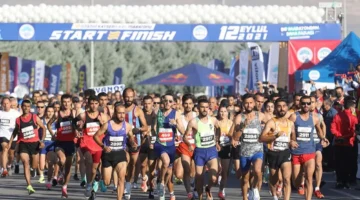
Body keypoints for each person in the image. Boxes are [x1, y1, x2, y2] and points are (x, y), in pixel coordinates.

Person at [93, 103, 137, 200]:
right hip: (108, 155)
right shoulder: (107, 125)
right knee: (106, 182)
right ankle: (100, 177)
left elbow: (131, 137)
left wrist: (132, 142)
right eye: (119, 113)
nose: (121, 115)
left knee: (121, 180)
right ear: (115, 113)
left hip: (120, 153)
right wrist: (103, 146)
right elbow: (95, 136)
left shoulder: (128, 126)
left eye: (123, 113)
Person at [289, 96, 329, 200]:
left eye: (308, 103)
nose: (306, 105)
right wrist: (291, 141)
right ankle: (299, 184)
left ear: (311, 104)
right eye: (303, 103)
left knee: (309, 178)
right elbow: (287, 130)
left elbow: (319, 130)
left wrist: (323, 138)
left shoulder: (315, 118)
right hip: (296, 152)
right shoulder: (294, 116)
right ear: (300, 104)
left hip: (309, 151)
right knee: (296, 182)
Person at [7, 100, 46, 194]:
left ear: (30, 107)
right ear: (21, 107)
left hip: (34, 144)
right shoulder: (18, 120)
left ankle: (33, 170)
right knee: (25, 162)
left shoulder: (34, 117)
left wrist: (42, 141)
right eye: (24, 106)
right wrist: (10, 142)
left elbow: (43, 128)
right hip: (23, 143)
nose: (26, 108)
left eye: (28, 106)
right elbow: (15, 131)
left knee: (34, 165)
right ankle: (29, 185)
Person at [184, 98, 220, 200]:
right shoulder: (193, 122)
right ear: (198, 108)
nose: (204, 109)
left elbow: (219, 128)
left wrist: (217, 141)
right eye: (202, 107)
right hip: (199, 152)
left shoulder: (213, 120)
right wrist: (189, 144)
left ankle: (208, 188)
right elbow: (185, 137)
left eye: (206, 107)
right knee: (199, 179)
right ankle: (200, 197)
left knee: (214, 178)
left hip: (211, 150)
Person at [231, 93, 265, 200]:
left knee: (257, 171)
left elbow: (272, 125)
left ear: (254, 103)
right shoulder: (239, 117)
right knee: (245, 179)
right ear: (243, 104)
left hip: (257, 150)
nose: (249, 105)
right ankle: (245, 197)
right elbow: (235, 137)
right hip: (244, 152)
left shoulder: (260, 115)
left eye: (251, 103)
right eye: (246, 103)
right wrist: (242, 126)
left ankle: (254, 188)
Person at [260, 98, 293, 200]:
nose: (282, 108)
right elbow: (261, 138)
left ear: (287, 108)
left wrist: (292, 142)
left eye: (284, 106)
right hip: (273, 154)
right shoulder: (271, 122)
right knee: (274, 180)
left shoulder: (290, 123)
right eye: (279, 106)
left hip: (285, 153)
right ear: (275, 108)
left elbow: (293, 138)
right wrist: (275, 136)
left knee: (287, 179)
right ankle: (274, 195)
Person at [47, 94, 79, 198]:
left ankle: (64, 186)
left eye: (68, 102)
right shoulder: (57, 114)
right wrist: (53, 135)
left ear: (71, 103)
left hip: (70, 142)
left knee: (69, 168)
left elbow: (79, 123)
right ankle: (60, 172)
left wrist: (78, 131)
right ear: (61, 102)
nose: (66, 104)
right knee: (62, 159)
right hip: (60, 142)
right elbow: (48, 124)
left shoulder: (74, 113)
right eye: (64, 102)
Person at [77, 95, 106, 198]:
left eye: (96, 103)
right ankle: (89, 185)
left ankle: (90, 184)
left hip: (98, 145)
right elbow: (74, 123)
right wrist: (78, 128)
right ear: (88, 104)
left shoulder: (103, 116)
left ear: (99, 104)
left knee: (93, 169)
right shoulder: (83, 115)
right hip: (86, 144)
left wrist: (102, 123)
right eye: (92, 103)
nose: (94, 106)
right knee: (88, 160)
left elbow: (108, 129)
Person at [122, 88, 148, 199]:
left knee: (132, 163)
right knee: (124, 163)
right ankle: (122, 184)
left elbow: (146, 126)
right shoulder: (120, 109)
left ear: (134, 97)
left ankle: (128, 185)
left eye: (131, 96)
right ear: (123, 97)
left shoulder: (137, 110)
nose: (129, 99)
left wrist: (138, 129)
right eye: (127, 96)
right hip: (122, 140)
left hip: (135, 141)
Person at [155, 93, 180, 200]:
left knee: (169, 171)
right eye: (166, 101)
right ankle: (161, 182)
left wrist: (176, 124)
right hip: (160, 144)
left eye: (170, 101)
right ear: (162, 101)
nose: (168, 103)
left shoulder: (176, 114)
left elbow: (183, 130)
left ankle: (163, 184)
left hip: (171, 146)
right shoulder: (157, 112)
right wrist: (150, 135)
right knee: (165, 162)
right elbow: (152, 127)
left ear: (173, 103)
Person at [331, 97, 358, 189]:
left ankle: (340, 181)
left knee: (339, 163)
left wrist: (339, 136)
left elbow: (333, 128)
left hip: (339, 142)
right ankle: (348, 181)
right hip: (350, 143)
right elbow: (354, 131)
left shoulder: (338, 115)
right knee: (349, 163)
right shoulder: (354, 116)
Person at [174, 94, 198, 200]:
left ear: (193, 104)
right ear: (182, 104)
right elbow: (183, 132)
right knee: (186, 170)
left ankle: (195, 187)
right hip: (184, 145)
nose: (188, 106)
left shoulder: (197, 115)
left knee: (195, 171)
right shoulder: (180, 117)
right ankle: (189, 193)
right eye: (186, 103)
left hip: (197, 145)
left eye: (190, 103)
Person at [310, 96, 326, 198]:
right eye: (308, 102)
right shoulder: (298, 115)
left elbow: (323, 126)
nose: (310, 104)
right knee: (306, 167)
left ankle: (317, 188)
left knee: (318, 163)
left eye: (312, 102)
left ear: (316, 104)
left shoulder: (319, 116)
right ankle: (303, 184)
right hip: (304, 144)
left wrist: (323, 138)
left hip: (316, 142)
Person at [0, 97, 21, 177]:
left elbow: (20, 124)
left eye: (7, 103)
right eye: (4, 103)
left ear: (10, 104)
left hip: (13, 136)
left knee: (11, 155)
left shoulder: (16, 113)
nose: (5, 105)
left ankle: (9, 164)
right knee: (5, 149)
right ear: (1, 104)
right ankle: (4, 169)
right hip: (2, 135)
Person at [216, 105, 233, 200]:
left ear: (228, 113)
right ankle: (216, 180)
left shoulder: (231, 123)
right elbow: (213, 135)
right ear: (218, 112)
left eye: (225, 111)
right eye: (221, 111)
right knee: (218, 169)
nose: (223, 113)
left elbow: (234, 136)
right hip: (217, 148)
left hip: (227, 148)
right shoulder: (216, 123)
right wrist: (216, 143)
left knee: (225, 172)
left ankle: (221, 190)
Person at [39, 106, 56, 187]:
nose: (50, 113)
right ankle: (42, 174)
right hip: (44, 143)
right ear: (45, 112)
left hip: (52, 143)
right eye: (48, 111)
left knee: (51, 163)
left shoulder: (56, 121)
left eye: (52, 111)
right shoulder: (41, 121)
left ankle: (49, 180)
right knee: (42, 166)